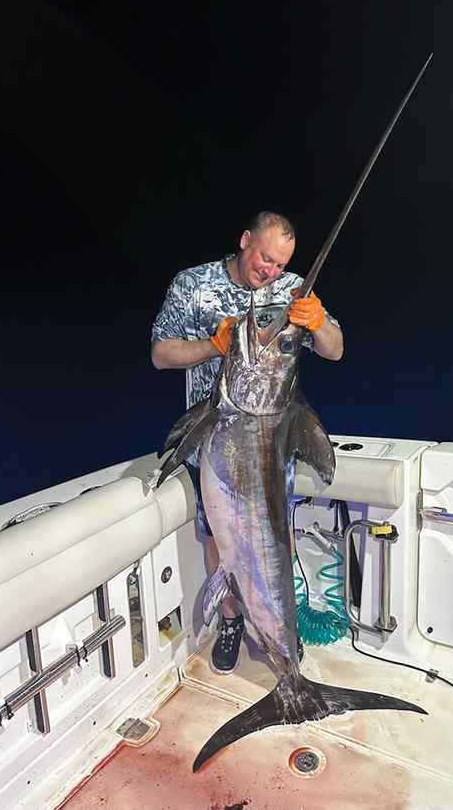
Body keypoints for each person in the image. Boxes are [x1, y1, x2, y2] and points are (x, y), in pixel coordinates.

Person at [151, 211, 343, 673]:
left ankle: (280, 629)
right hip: (214, 441)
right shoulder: (193, 285)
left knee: (278, 538)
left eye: (280, 264)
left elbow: (334, 349)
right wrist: (213, 346)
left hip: (273, 445)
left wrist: (317, 322)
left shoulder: (294, 288)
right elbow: (161, 354)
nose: (271, 272)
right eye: (264, 258)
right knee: (219, 538)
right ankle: (233, 621)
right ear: (244, 241)